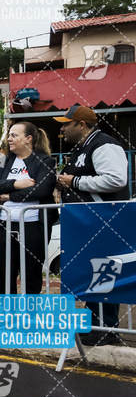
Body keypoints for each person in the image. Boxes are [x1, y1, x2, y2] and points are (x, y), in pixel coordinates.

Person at [55, 104, 129, 346]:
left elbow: (116, 179)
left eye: (66, 124)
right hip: (88, 222)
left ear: (81, 125)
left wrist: (74, 181)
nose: (62, 129)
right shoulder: (84, 146)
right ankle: (95, 324)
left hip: (103, 220)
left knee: (103, 271)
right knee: (93, 273)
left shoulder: (104, 144)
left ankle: (107, 329)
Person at [0, 122, 57, 295]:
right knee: (4, 272)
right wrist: (17, 183)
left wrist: (8, 195)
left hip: (32, 226)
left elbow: (41, 190)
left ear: (28, 139)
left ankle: (29, 316)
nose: (9, 138)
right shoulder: (4, 161)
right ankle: (8, 313)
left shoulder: (44, 161)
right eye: (9, 135)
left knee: (31, 273)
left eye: (14, 135)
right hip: (3, 225)